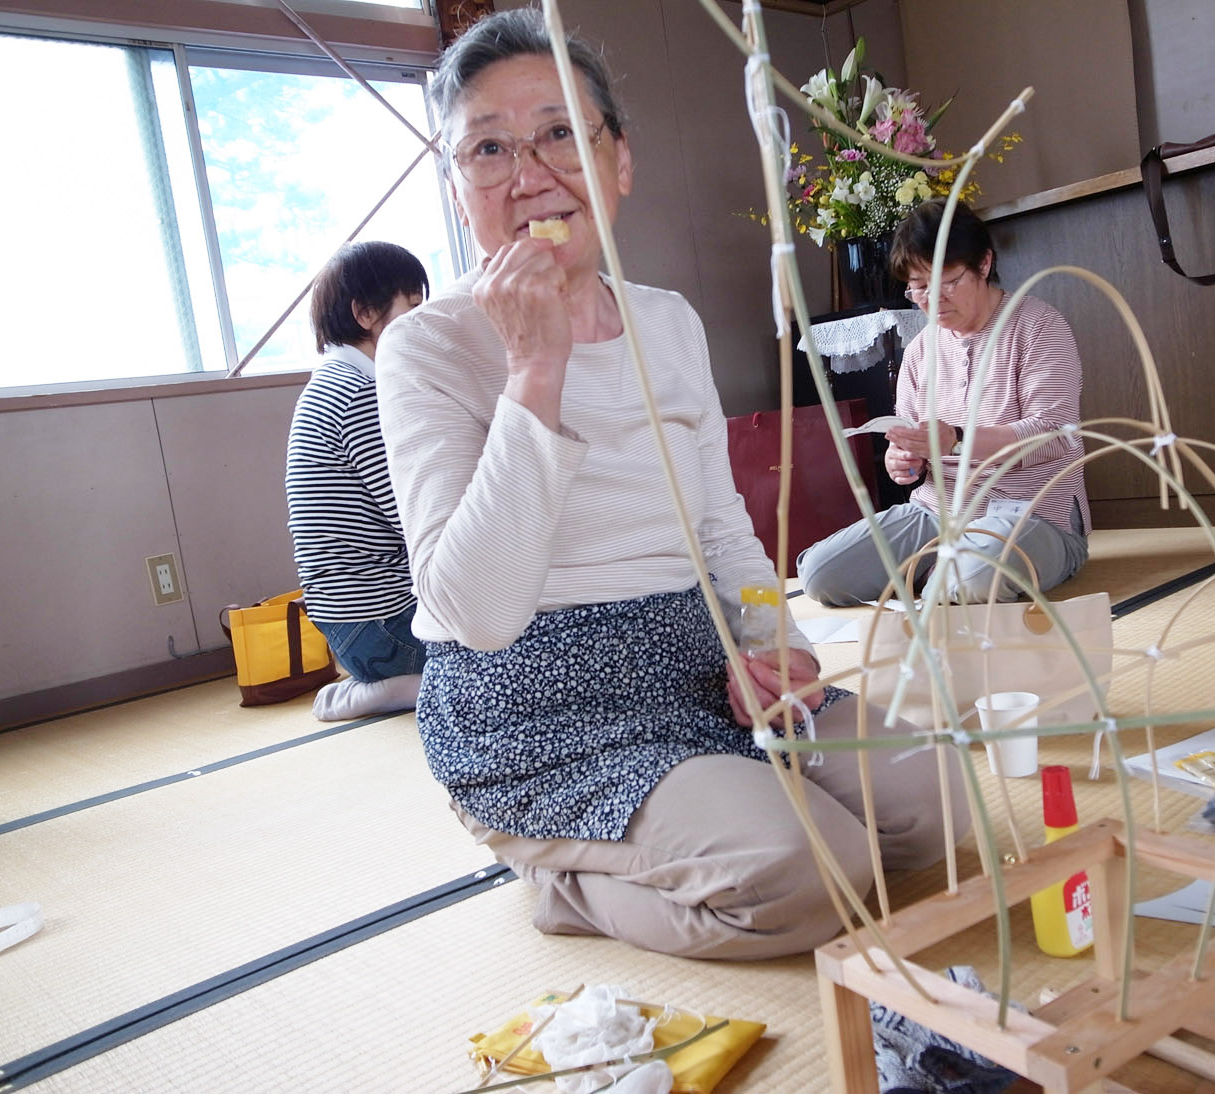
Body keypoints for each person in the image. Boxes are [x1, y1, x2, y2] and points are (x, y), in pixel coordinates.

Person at [375, 9, 970, 961]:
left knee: (937, 805)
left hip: (698, 660)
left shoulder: (667, 322)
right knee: (812, 876)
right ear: (456, 187)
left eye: (560, 133)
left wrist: (772, 644)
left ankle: (711, 809)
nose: (530, 174)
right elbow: (474, 612)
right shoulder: (425, 346)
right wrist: (535, 365)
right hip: (535, 701)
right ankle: (564, 877)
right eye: (488, 148)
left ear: (619, 162)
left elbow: (722, 527)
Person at [797, 201, 1091, 606]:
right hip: (936, 514)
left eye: (947, 281)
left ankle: (948, 574)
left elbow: (1056, 436)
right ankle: (945, 574)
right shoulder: (921, 350)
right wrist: (904, 461)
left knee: (977, 574)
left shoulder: (1039, 326)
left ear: (984, 263)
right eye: (918, 286)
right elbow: (911, 441)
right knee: (820, 574)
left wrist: (956, 439)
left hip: (1030, 513)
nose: (932, 299)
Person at [285, 240, 430, 722]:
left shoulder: (334, 383)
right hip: (382, 627)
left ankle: (402, 682)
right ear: (366, 313)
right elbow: (415, 516)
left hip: (357, 626)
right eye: (413, 306)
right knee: (528, 644)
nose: (422, 320)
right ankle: (408, 687)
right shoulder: (361, 395)